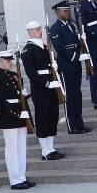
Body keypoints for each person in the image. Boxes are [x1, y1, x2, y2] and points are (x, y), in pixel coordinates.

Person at [0, 50, 35, 190]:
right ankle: (15, 180)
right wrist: (17, 113)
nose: (10, 62)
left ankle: (22, 177)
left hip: (21, 115)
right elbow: (0, 101)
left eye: (10, 60)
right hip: (9, 117)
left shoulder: (15, 75)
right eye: (7, 60)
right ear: (0, 61)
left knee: (21, 148)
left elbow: (20, 98)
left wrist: (25, 109)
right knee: (12, 149)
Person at [21, 21, 64, 160]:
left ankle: (51, 148)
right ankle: (45, 151)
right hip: (40, 89)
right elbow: (31, 73)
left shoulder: (44, 46)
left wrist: (55, 67)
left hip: (52, 86)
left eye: (40, 29)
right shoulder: (28, 49)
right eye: (38, 29)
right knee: (42, 118)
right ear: (30, 31)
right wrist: (46, 84)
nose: (41, 31)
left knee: (53, 117)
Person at [49, 0, 92, 135]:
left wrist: (82, 43)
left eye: (68, 10)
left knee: (77, 94)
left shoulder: (72, 25)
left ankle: (79, 123)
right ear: (57, 12)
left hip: (76, 64)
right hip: (66, 65)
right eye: (65, 10)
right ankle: (72, 125)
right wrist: (75, 56)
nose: (67, 12)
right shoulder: (55, 28)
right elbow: (60, 48)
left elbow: (77, 43)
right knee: (69, 95)